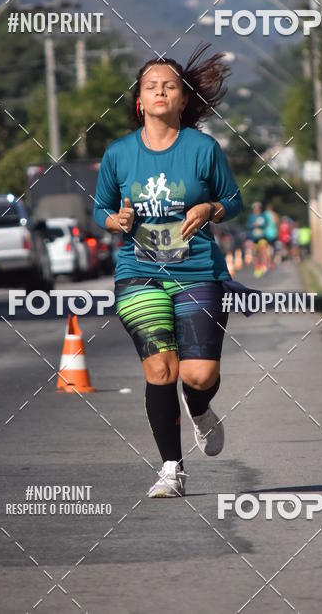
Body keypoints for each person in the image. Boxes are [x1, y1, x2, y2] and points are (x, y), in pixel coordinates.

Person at [93, 44, 243, 498]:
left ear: (182, 100)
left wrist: (211, 207)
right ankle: (171, 468)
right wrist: (114, 220)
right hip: (138, 271)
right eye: (151, 86)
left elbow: (233, 202)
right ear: (139, 101)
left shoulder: (204, 149)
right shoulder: (119, 155)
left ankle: (199, 409)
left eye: (169, 86)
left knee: (198, 376)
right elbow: (100, 207)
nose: (160, 92)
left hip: (197, 271)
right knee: (160, 368)